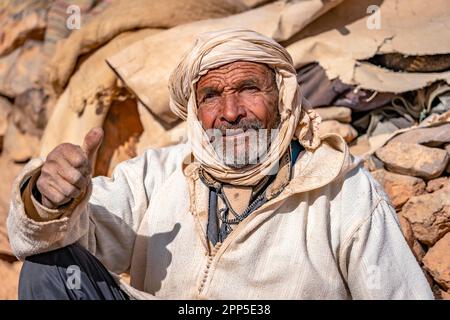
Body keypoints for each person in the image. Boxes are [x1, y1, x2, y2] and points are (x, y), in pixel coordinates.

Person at [7, 29, 433, 300]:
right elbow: (72, 234)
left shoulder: (341, 188)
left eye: (248, 88)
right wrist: (48, 199)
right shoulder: (160, 173)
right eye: (211, 95)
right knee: (48, 271)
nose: (230, 112)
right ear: (195, 110)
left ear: (282, 98)